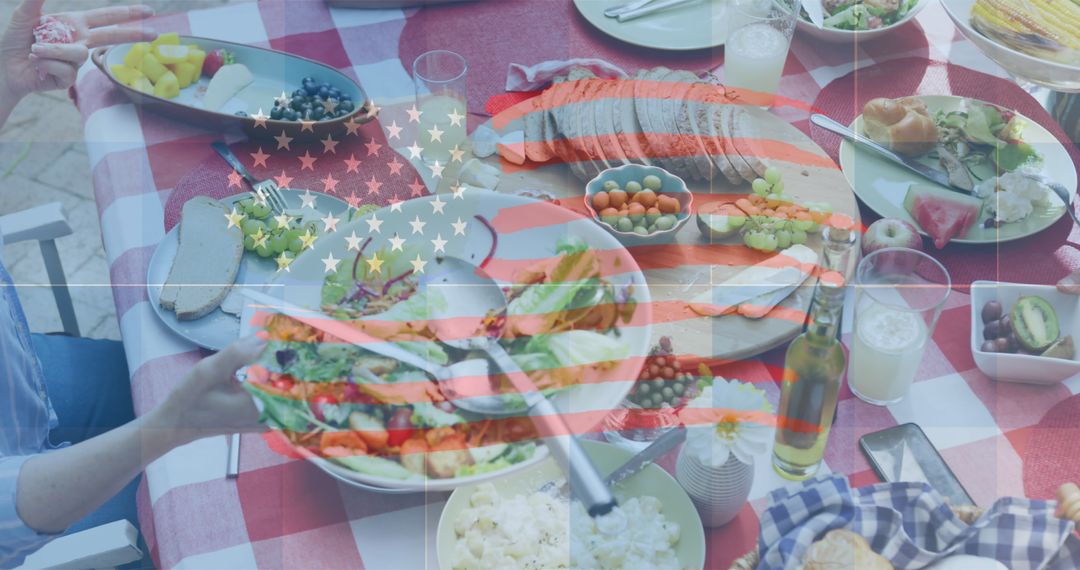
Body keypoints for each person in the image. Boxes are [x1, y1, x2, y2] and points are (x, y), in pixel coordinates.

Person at [0, 1, 264, 567]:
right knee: (234, 497)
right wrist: (168, 427)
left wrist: (5, 85)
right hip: (27, 512)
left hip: (24, 384)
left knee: (186, 379)